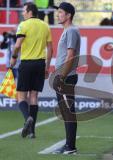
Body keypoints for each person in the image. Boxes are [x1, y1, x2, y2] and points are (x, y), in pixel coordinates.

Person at [10, 2, 53, 138]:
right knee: (34, 96)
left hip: (27, 63)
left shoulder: (24, 25)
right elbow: (50, 49)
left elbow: (17, 45)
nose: (22, 13)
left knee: (21, 96)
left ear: (30, 12)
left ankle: (28, 118)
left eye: (24, 11)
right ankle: (32, 131)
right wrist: (47, 67)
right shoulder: (45, 26)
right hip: (40, 64)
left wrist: (14, 58)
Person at [52, 2, 80, 154]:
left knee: (68, 111)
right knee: (66, 111)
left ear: (68, 15)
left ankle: (70, 146)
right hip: (65, 76)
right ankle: (69, 145)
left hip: (66, 77)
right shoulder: (68, 30)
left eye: (61, 12)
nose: (58, 14)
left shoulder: (71, 31)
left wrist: (61, 76)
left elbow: (71, 56)